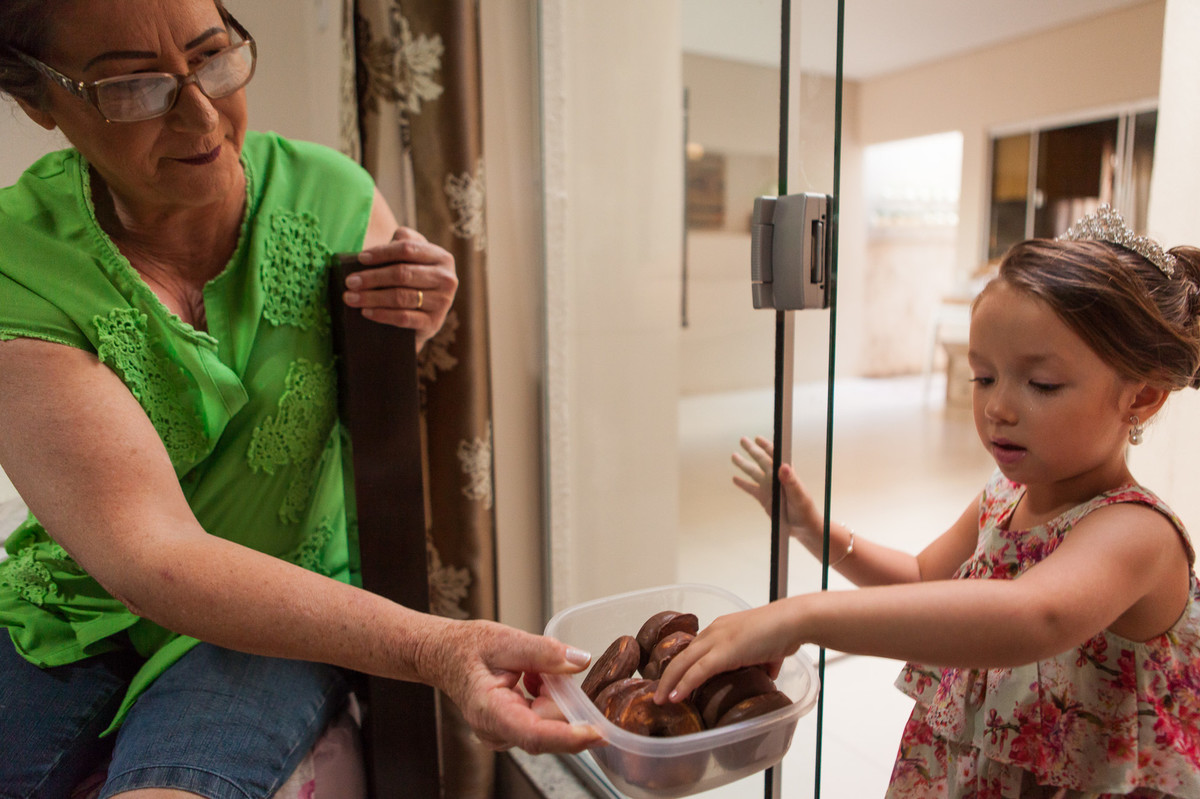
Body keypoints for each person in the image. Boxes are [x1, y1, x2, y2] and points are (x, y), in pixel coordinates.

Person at [0, 1, 599, 796]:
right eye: (135, 89)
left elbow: (369, 387)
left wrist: (413, 321)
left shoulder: (331, 196)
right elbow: (148, 554)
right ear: (38, 98)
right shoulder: (20, 255)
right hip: (70, 610)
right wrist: (436, 648)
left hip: (275, 607)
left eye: (213, 58)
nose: (201, 114)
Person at [656, 206, 1200, 797]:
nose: (998, 408)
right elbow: (921, 578)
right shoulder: (1004, 496)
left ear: (1142, 397)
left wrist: (801, 616)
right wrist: (815, 531)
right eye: (984, 377)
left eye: (1040, 384)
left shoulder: (1137, 533)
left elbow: (1032, 616)